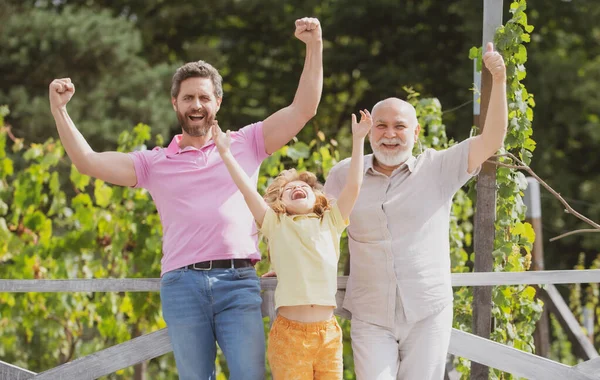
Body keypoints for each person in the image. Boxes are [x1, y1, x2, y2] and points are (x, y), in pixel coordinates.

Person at [48, 17, 323, 380]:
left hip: (238, 281)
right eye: (188, 97)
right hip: (182, 286)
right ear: (175, 103)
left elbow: (304, 109)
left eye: (204, 97)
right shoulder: (153, 162)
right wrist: (60, 110)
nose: (197, 105)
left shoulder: (247, 142)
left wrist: (314, 45)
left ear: (218, 102)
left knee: (249, 376)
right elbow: (87, 162)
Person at [322, 42, 507, 380]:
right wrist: (286, 264)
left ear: (416, 132)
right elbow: (317, 231)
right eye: (380, 126)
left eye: (399, 126)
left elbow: (492, 138)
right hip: (370, 314)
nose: (389, 134)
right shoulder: (342, 174)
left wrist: (499, 79)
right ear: (369, 129)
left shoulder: (438, 166)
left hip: (428, 312)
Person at [211, 108, 371, 380]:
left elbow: (354, 185)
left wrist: (359, 140)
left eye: (305, 188)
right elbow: (247, 191)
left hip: (328, 333)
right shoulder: (275, 223)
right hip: (289, 334)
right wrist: (225, 153)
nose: (298, 188)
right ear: (279, 203)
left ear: (317, 197)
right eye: (289, 190)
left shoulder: (331, 221)